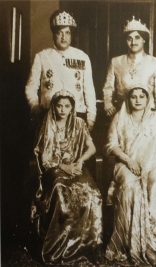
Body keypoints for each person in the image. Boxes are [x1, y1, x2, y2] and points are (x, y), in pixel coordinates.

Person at [104, 86, 156, 266]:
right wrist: (129, 161)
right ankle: (127, 244)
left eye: (142, 96)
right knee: (129, 185)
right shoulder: (120, 117)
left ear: (147, 99)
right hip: (127, 162)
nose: (138, 100)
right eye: (133, 97)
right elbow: (112, 145)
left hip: (154, 161)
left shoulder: (155, 118)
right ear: (128, 99)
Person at [31, 89, 102, 265]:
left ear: (72, 108)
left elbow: (91, 148)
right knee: (62, 191)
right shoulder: (47, 124)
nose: (63, 109)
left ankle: (86, 246)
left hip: (75, 165)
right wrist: (64, 166)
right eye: (59, 105)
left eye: (67, 106)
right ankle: (59, 247)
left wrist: (79, 161)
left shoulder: (79, 123)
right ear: (53, 106)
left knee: (91, 192)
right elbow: (45, 158)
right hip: (54, 168)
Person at [25, 10, 96, 131]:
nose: (64, 37)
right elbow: (31, 87)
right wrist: (34, 105)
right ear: (54, 34)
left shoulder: (82, 57)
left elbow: (89, 89)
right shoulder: (42, 56)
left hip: (76, 113)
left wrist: (91, 116)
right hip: (48, 114)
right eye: (60, 33)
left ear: (71, 35)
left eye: (67, 33)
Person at [103, 16, 156, 118]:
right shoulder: (116, 62)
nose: (133, 42)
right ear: (125, 41)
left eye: (137, 38)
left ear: (144, 40)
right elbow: (108, 89)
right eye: (129, 39)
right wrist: (108, 105)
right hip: (122, 115)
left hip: (148, 116)